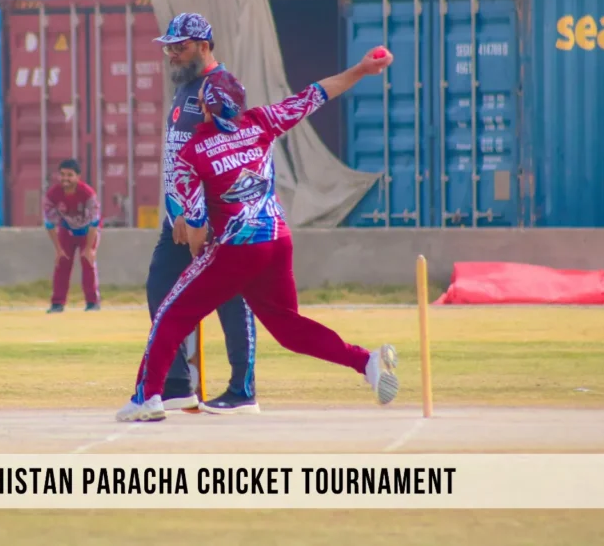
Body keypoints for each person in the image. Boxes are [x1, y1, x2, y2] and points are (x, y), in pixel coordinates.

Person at [116, 46, 401, 422]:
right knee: (288, 328)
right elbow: (316, 94)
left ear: (205, 109)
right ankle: (366, 361)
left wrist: (202, 259)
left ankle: (148, 398)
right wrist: (361, 69)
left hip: (236, 249)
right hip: (277, 241)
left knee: (171, 314)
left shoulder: (192, 153)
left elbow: (197, 225)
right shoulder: (260, 121)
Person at [148, 12, 259, 415]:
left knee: (230, 298)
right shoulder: (186, 87)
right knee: (160, 290)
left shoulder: (221, 88)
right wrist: (177, 211)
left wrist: (199, 215)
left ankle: (242, 391)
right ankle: (177, 384)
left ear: (204, 46)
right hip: (178, 218)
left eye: (180, 47)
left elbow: (228, 155)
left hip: (214, 218)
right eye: (169, 48)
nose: (172, 55)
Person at [42, 159, 101, 313]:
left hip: (87, 231)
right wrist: (58, 249)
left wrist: (89, 248)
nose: (65, 178)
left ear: (78, 177)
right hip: (67, 231)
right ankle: (57, 303)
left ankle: (92, 302)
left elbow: (95, 222)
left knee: (87, 262)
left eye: (69, 175)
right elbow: (49, 224)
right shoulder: (53, 194)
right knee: (62, 263)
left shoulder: (88, 194)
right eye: (62, 174)